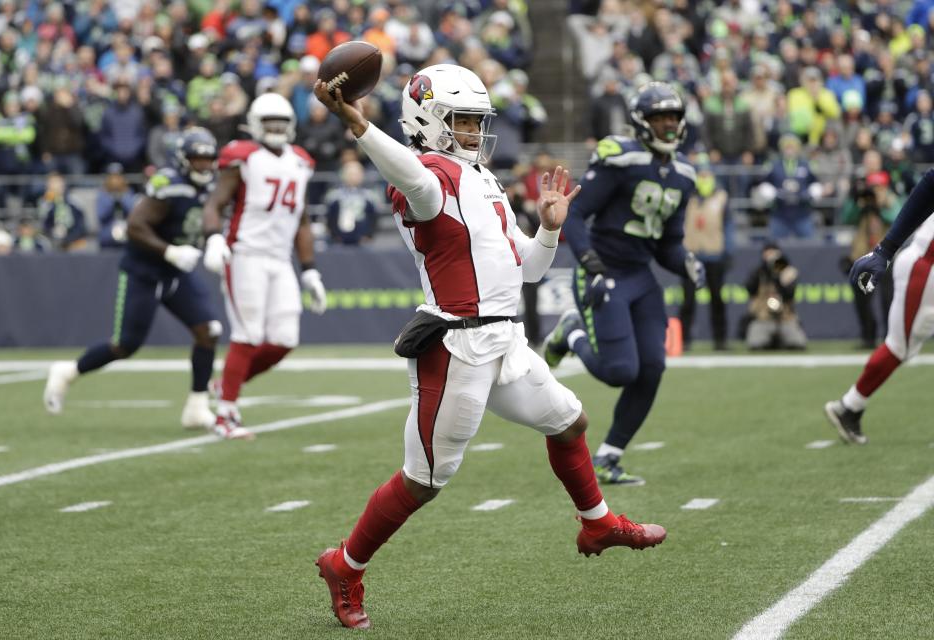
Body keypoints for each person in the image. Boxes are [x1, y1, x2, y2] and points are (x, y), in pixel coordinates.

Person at [311, 64, 666, 630]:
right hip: (455, 347)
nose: (475, 132)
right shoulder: (425, 175)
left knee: (569, 421)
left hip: (505, 340)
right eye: (463, 121)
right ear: (427, 121)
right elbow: (416, 181)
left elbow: (528, 269)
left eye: (478, 122)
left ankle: (596, 523)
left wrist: (549, 229)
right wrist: (359, 125)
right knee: (424, 480)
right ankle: (345, 564)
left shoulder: (480, 179)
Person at [542, 82, 704, 486]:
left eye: (673, 117)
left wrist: (684, 261)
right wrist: (589, 261)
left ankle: (609, 457)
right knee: (619, 371)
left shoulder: (684, 173)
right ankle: (571, 331)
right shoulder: (621, 158)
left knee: (652, 367)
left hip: (640, 276)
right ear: (640, 122)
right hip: (604, 270)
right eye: (659, 118)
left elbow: (668, 242)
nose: (668, 125)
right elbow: (575, 215)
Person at [43, 128, 222, 433]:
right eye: (197, 159)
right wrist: (170, 251)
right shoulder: (169, 184)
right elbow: (135, 227)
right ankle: (68, 372)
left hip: (175, 273)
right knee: (124, 346)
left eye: (208, 159)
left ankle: (196, 406)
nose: (204, 165)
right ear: (183, 160)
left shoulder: (210, 187)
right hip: (145, 270)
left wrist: (217, 240)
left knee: (208, 331)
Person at [201, 92, 327, 441]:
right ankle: (225, 415)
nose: (274, 129)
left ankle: (224, 384)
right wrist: (213, 237)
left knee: (285, 339)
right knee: (248, 334)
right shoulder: (244, 156)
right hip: (244, 254)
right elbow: (215, 203)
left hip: (279, 258)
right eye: (269, 122)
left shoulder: (300, 161)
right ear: (255, 125)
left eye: (281, 123)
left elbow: (301, 220)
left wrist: (310, 269)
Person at [825, 209, 934, 444]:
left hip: (923, 263)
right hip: (926, 268)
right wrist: (884, 250)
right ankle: (848, 407)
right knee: (899, 348)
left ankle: (849, 407)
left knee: (900, 347)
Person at [839, 170, 901, 349]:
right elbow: (846, 218)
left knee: (888, 299)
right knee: (862, 300)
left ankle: (890, 337)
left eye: (878, 187)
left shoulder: (891, 200)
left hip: (888, 256)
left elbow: (897, 217)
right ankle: (868, 336)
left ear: (885, 187)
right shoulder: (862, 202)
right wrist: (854, 201)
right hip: (865, 256)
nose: (874, 191)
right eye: (872, 187)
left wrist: (880, 208)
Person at [680, 157, 730, 351]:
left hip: (714, 254)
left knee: (717, 299)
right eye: (701, 174)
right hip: (691, 254)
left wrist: (727, 251)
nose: (704, 178)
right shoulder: (687, 197)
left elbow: (729, 226)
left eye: (707, 174)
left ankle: (720, 339)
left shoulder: (721, 197)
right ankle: (685, 340)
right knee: (688, 300)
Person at [743, 242, 807, 350]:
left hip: (785, 319)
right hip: (764, 319)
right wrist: (765, 269)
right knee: (756, 343)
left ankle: (779, 341)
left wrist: (778, 273)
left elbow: (789, 294)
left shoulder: (788, 272)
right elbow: (750, 289)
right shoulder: (758, 272)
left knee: (797, 343)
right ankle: (772, 341)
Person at [96, 162, 138, 249]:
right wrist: (113, 199)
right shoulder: (102, 194)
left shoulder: (128, 192)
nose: (115, 180)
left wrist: (122, 197)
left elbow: (133, 213)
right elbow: (101, 216)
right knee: (105, 237)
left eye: (118, 177)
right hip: (108, 231)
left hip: (126, 229)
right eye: (112, 177)